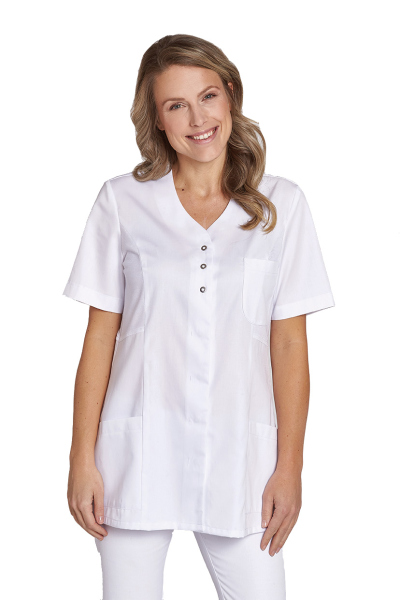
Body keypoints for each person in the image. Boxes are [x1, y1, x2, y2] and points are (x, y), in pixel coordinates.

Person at [63, 34, 335, 600]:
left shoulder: (282, 206)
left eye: (208, 96)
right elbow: (100, 338)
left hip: (242, 459)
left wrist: (290, 467)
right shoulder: (122, 202)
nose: (198, 119)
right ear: (157, 120)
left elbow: (290, 345)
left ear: (230, 93)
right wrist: (81, 459)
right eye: (176, 105)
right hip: (136, 452)